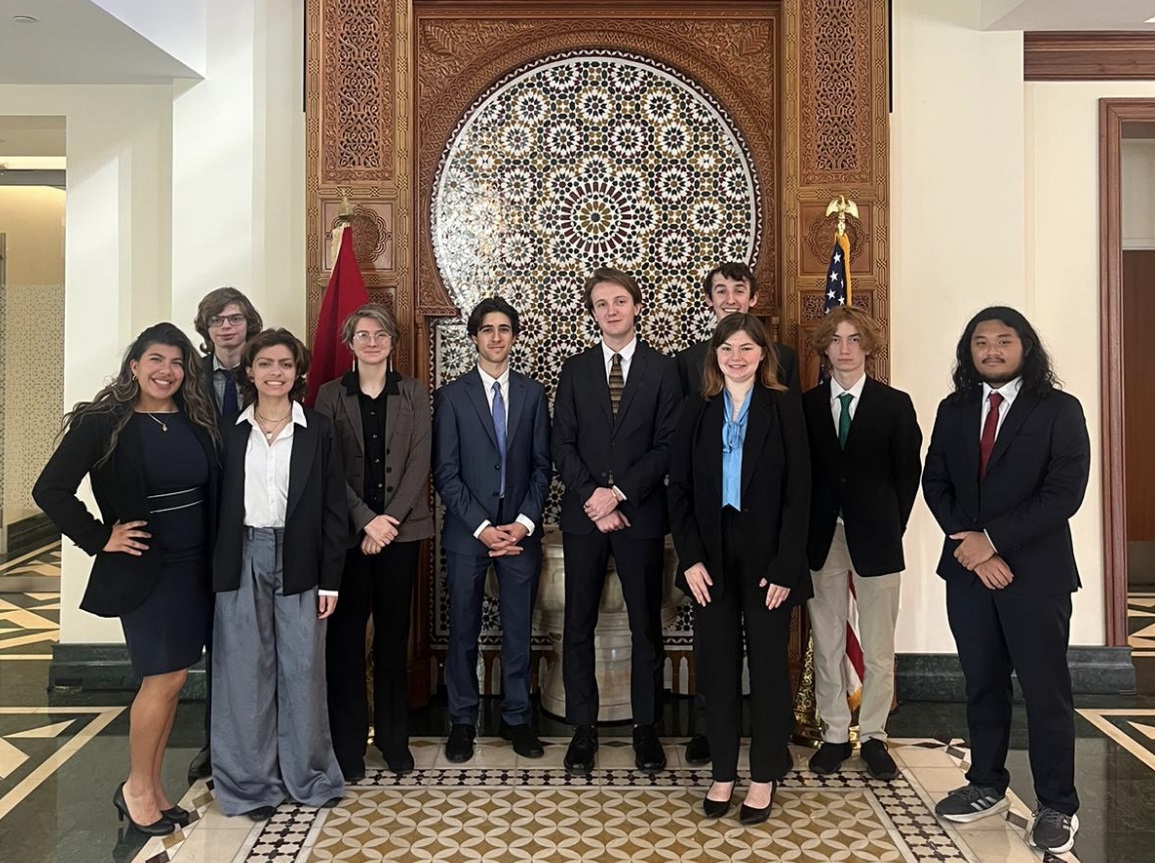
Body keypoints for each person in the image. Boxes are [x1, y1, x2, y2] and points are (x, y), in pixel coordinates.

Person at [33, 323, 221, 836]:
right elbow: (50, 489)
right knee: (160, 679)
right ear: (134, 364)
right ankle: (136, 788)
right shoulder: (103, 421)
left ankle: (155, 790)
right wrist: (99, 538)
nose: (167, 371)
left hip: (195, 566)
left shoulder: (195, 417)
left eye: (178, 363)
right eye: (156, 360)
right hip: (147, 569)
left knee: (176, 678)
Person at [922, 307, 1089, 855]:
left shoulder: (1059, 410)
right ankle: (987, 784)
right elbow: (936, 482)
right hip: (969, 575)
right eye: (980, 342)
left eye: (1003, 341)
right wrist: (973, 553)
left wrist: (991, 541)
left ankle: (1057, 804)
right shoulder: (954, 408)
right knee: (983, 684)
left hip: (1034, 575)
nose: (991, 351)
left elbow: (1064, 493)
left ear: (1026, 347)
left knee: (1045, 692)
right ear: (969, 352)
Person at [668, 313, 810, 824]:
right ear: (716, 355)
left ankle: (765, 774)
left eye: (747, 348)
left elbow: (801, 493)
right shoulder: (697, 408)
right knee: (719, 668)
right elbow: (678, 490)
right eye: (727, 348)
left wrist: (787, 567)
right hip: (711, 557)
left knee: (769, 670)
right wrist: (691, 559)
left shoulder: (784, 405)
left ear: (763, 354)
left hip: (770, 560)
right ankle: (724, 772)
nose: (737, 357)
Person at [211, 328, 347, 820]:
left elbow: (335, 510)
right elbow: (215, 508)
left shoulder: (320, 430)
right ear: (249, 371)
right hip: (242, 553)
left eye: (285, 364)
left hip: (301, 557)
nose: (275, 373)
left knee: (303, 667)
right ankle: (249, 786)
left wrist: (330, 579)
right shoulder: (229, 431)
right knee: (245, 672)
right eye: (265, 363)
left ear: (298, 372)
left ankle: (310, 776)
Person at [552, 267, 682, 775]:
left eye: (620, 301)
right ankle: (582, 729)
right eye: (602, 303)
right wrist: (593, 497)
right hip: (585, 518)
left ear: (636, 307)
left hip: (640, 516)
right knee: (577, 623)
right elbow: (560, 441)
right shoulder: (575, 369)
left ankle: (645, 729)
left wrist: (620, 494)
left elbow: (668, 446)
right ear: (593, 312)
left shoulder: (663, 370)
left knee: (646, 625)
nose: (611, 310)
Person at [314, 303, 434, 780]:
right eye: (362, 334)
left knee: (392, 640)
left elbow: (419, 461)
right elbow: (328, 467)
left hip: (402, 535)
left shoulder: (414, 392)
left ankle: (392, 737)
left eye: (380, 333)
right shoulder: (327, 396)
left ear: (392, 342)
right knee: (344, 643)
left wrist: (389, 523)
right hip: (347, 538)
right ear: (349, 343)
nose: (372, 341)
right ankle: (347, 745)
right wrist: (366, 522)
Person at [802, 307, 922, 780]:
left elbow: (907, 476)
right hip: (821, 536)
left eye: (854, 339)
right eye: (836, 340)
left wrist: (892, 526)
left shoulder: (895, 404)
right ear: (825, 348)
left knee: (878, 644)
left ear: (868, 346)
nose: (845, 348)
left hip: (877, 537)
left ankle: (873, 735)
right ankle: (834, 733)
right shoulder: (807, 405)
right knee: (827, 638)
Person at [433, 297, 551, 762]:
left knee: (518, 628)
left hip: (521, 532)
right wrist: (483, 528)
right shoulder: (451, 396)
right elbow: (444, 472)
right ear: (474, 337)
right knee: (463, 628)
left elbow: (544, 468)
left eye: (504, 328)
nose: (496, 337)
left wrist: (522, 524)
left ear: (514, 336)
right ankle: (462, 721)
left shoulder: (533, 394)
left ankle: (517, 718)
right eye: (487, 329)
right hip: (469, 533)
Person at [187, 286, 264, 783]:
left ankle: (259, 740)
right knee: (217, 636)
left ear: (248, 323)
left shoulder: (266, 372)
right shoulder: (188, 377)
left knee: (255, 635)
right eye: (216, 319)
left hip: (256, 516)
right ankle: (214, 742)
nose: (226, 327)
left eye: (234, 317)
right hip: (201, 517)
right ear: (206, 328)